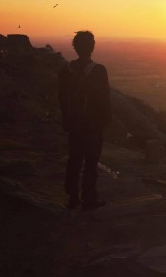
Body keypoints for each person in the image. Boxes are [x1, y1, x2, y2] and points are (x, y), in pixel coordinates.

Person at [58, 31, 111, 210]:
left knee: (74, 159)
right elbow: (104, 99)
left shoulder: (66, 70)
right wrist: (105, 122)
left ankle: (72, 197)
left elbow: (62, 98)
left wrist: (66, 119)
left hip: (74, 123)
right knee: (90, 162)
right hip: (92, 125)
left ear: (75, 47)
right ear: (92, 46)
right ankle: (89, 199)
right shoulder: (98, 70)